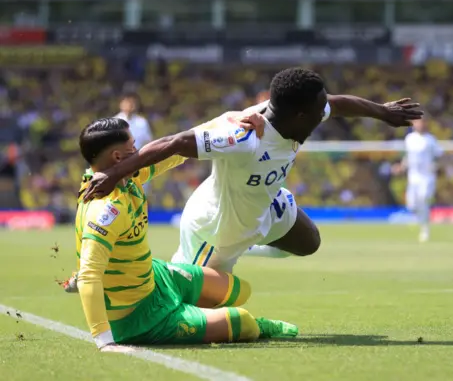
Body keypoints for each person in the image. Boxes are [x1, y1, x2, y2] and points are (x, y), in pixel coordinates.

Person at [83, 67, 423, 273]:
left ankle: (251, 242)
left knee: (310, 243)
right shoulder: (243, 136)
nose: (326, 112)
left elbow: (341, 104)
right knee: (195, 306)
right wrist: (114, 174)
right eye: (320, 107)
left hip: (266, 204)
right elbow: (175, 142)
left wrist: (382, 111)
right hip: (217, 227)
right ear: (299, 115)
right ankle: (162, 271)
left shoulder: (303, 112)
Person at [74, 118, 297, 353]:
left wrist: (236, 123)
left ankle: (185, 311)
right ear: (118, 157)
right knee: (244, 322)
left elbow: (177, 150)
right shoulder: (106, 209)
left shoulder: (129, 176)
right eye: (134, 147)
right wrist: (104, 341)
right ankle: (219, 322)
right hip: (137, 316)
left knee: (240, 290)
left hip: (154, 277)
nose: (140, 152)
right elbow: (89, 276)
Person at [392, 117, 443, 243]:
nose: (419, 125)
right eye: (417, 122)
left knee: (423, 199)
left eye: (421, 122)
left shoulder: (431, 140)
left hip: (427, 177)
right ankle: (420, 220)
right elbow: (408, 157)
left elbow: (440, 156)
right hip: (413, 177)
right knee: (412, 205)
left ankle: (425, 230)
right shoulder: (410, 139)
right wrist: (401, 167)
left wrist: (438, 166)